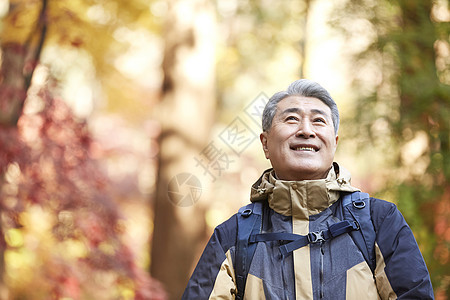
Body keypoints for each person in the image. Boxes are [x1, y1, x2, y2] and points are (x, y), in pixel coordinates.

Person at [182, 79, 434, 299]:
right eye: (291, 119)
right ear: (265, 143)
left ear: (334, 143)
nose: (306, 130)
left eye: (318, 121)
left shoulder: (379, 222)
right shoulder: (233, 236)